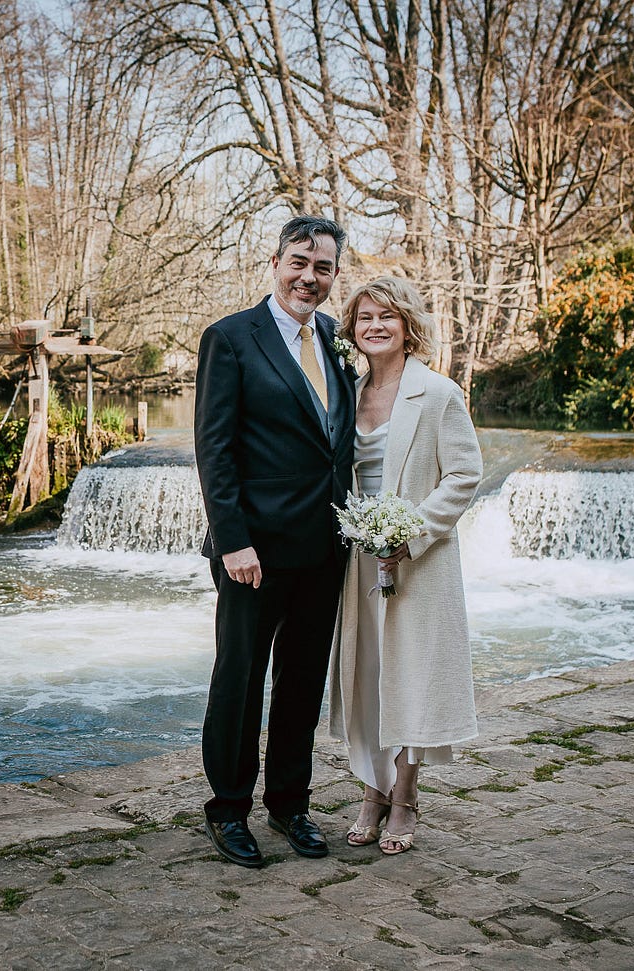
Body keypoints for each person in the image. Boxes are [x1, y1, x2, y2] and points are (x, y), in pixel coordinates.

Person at [193, 215, 355, 867]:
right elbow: (215, 448)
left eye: (322, 268)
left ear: (334, 276)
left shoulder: (341, 343)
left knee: (301, 683)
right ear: (275, 262)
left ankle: (290, 804)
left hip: (325, 546)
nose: (308, 278)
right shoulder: (231, 338)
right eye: (299, 262)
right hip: (252, 551)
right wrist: (233, 540)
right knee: (240, 679)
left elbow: (342, 442)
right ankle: (229, 809)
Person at [328, 276, 482, 855]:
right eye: (365, 316)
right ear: (353, 328)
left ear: (407, 324)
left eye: (387, 316)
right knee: (367, 675)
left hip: (417, 560)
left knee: (410, 676)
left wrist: (407, 534)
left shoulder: (437, 393)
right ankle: (371, 791)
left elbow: (464, 475)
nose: (375, 325)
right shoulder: (347, 391)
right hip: (356, 561)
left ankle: (405, 796)